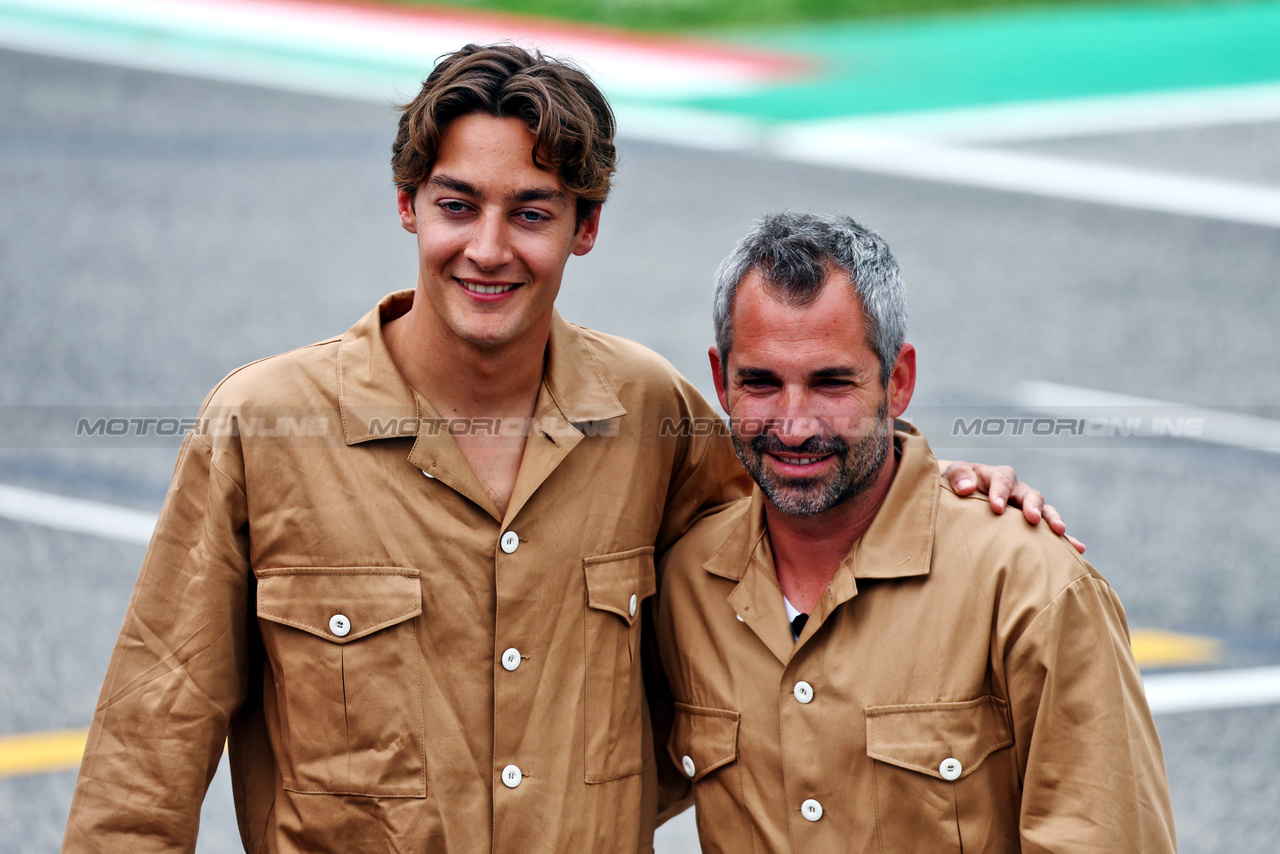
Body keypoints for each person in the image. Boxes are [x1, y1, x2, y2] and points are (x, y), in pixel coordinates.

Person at [63, 47, 1067, 852]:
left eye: (532, 213)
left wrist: (940, 488)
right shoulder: (261, 424)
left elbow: (804, 524)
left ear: (584, 228)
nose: (489, 248)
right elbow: (148, 749)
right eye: (457, 204)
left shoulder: (651, 417)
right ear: (407, 204)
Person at [656, 212, 1175, 852]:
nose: (793, 426)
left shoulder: (1029, 585)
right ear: (719, 380)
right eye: (760, 383)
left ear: (897, 382)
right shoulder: (682, 585)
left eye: (832, 383)